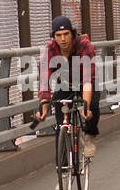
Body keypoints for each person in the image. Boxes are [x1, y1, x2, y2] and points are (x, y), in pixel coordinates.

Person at [35, 15, 99, 159]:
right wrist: (44, 107)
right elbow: (44, 80)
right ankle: (63, 170)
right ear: (53, 37)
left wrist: (86, 106)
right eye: (58, 35)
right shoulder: (49, 50)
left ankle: (89, 136)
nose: (63, 39)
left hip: (85, 82)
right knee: (60, 123)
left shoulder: (84, 45)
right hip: (64, 84)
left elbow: (88, 79)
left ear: (72, 33)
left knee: (92, 106)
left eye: (66, 34)